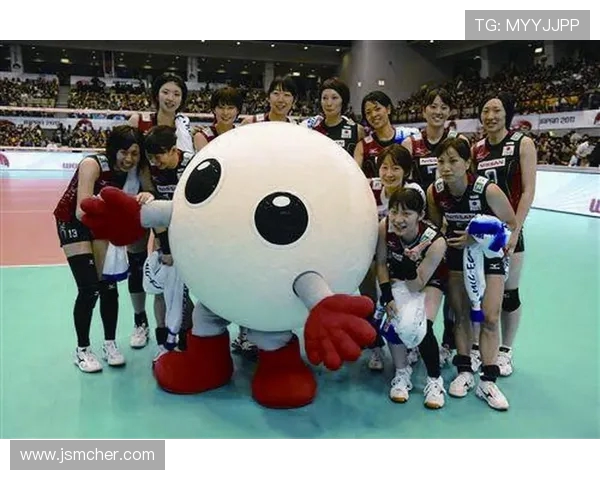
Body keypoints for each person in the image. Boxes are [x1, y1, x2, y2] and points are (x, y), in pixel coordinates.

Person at [53, 125, 153, 373]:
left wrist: (145, 197)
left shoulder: (135, 172)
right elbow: (81, 210)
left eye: (134, 153)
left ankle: (110, 344)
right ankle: (82, 349)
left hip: (104, 222)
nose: (129, 158)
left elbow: (148, 192)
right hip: (74, 221)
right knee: (89, 288)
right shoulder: (92, 164)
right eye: (123, 152)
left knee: (108, 285)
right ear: (113, 149)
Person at [427, 137, 517, 410]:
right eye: (441, 161)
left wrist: (476, 237)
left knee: (490, 317)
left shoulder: (487, 190)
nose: (446, 167)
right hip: (456, 256)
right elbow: (435, 227)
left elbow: (511, 224)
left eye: (453, 161)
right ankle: (465, 371)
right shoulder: (435, 191)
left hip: (489, 255)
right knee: (461, 315)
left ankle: (487, 382)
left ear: (467, 163)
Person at [471, 93, 537, 376]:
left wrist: (515, 229)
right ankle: (479, 346)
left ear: (507, 114)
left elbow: (528, 191)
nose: (491, 116)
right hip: (483, 231)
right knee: (480, 292)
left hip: (509, 230)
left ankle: (506, 350)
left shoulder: (522, 143)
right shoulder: (476, 149)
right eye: (486, 110)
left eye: (497, 110)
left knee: (509, 294)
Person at [402, 88, 467, 367]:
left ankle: (448, 344)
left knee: (452, 291)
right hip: (418, 231)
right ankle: (416, 340)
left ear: (450, 112)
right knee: (417, 287)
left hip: (450, 228)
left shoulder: (459, 141)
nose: (438, 111)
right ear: (424, 110)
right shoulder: (411, 143)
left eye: (444, 107)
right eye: (433, 106)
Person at [128, 72, 194, 350]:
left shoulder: (185, 128)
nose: (171, 98)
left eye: (177, 94)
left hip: (169, 204)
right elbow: (132, 159)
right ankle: (140, 322)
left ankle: (184, 331)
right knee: (138, 261)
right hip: (143, 196)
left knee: (178, 272)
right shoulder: (139, 121)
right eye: (166, 92)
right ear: (156, 93)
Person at [192, 86, 258, 359]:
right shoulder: (202, 135)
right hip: (213, 216)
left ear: (238, 110)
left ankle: (246, 333)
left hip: (241, 213)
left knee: (245, 272)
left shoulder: (244, 135)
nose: (226, 112)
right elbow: (213, 170)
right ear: (213, 109)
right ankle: (211, 332)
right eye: (221, 106)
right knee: (216, 273)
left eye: (231, 107)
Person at [375, 187, 448, 408]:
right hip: (397, 278)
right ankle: (401, 371)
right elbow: (381, 264)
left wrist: (408, 264)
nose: (398, 219)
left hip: (429, 281)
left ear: (420, 215)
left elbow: (417, 284)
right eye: (394, 212)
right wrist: (387, 297)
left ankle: (434, 380)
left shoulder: (435, 241)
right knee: (393, 320)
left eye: (406, 213)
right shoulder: (384, 226)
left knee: (422, 327)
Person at [365, 144, 424, 371]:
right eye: (384, 167)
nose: (389, 174)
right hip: (376, 256)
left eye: (396, 168)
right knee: (370, 302)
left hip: (406, 258)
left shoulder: (414, 192)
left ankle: (412, 342)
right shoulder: (368, 188)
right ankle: (376, 346)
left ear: (406, 171)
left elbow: (420, 228)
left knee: (404, 305)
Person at [143, 125, 195, 357]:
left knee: (192, 290)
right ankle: (164, 342)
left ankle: (190, 337)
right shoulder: (152, 170)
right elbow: (155, 211)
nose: (155, 162)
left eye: (159, 156)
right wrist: (165, 247)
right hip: (165, 234)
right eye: (151, 158)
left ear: (174, 150)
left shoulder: (193, 165)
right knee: (163, 290)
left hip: (193, 237)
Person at [354, 91, 414, 178]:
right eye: (368, 112)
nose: (373, 115)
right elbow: (355, 178)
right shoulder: (362, 147)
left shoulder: (406, 140)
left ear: (388, 109)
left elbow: (410, 176)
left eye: (377, 109)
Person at [302, 77, 364, 155]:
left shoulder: (357, 130)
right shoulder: (313, 131)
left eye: (334, 98)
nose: (329, 103)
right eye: (325, 98)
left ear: (343, 100)